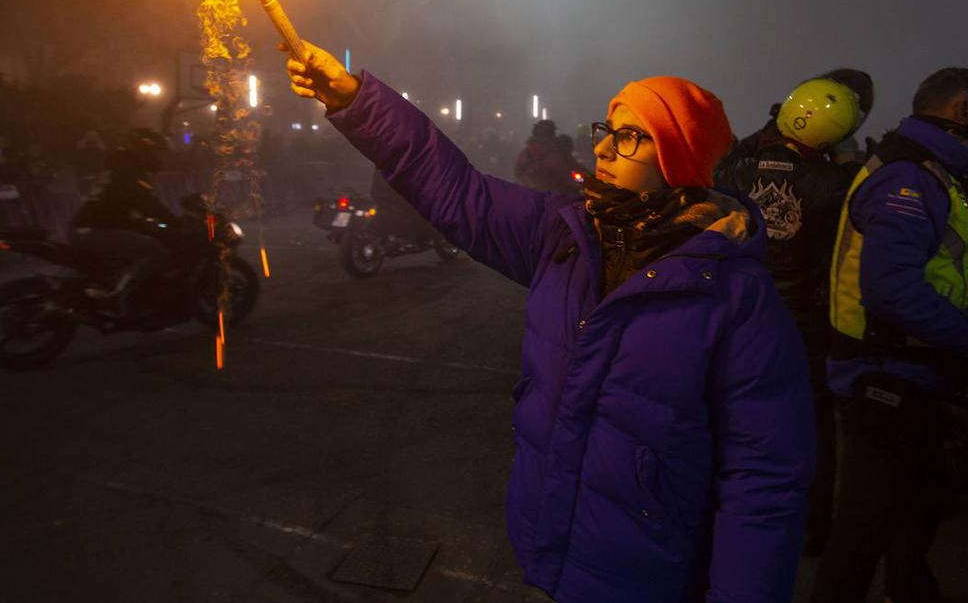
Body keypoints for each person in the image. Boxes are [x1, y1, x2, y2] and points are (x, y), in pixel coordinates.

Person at [284, 41, 814, 602]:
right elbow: (456, 188)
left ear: (676, 159)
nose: (606, 148)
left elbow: (763, 486)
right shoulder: (564, 234)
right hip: (548, 552)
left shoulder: (736, 299)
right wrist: (358, 101)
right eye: (605, 130)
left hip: (647, 576)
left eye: (631, 135)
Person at [811, 67, 968, 603]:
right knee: (862, 533)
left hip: (911, 373)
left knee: (912, 513)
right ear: (963, 110)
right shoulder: (907, 178)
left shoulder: (936, 172)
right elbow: (892, 290)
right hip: (885, 376)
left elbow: (959, 247)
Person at [718, 72, 873, 557]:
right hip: (805, 319)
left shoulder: (736, 171)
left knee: (734, 409)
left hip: (743, 309)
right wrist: (845, 152)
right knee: (813, 424)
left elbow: (720, 162)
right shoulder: (840, 183)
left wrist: (772, 126)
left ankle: (731, 503)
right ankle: (813, 524)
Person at [67, 129, 175, 318]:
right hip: (96, 230)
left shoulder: (119, 168)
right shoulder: (128, 173)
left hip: (89, 227)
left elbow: (121, 207)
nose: (158, 158)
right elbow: (147, 204)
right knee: (155, 252)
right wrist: (175, 222)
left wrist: (140, 222)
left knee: (138, 241)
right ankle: (117, 297)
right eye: (155, 152)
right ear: (144, 151)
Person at [513, 119, 569, 191]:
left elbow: (517, 172)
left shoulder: (526, 153)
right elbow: (566, 178)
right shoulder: (554, 155)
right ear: (552, 135)